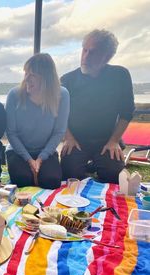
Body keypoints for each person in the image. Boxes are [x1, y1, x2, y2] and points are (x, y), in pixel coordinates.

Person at [60, 29, 135, 184]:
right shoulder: (67, 80)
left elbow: (127, 112)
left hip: (107, 139)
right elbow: (59, 113)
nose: (85, 57)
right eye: (84, 50)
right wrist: (68, 137)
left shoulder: (120, 75)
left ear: (107, 57)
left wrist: (114, 141)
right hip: (77, 140)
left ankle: (96, 163)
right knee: (69, 174)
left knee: (115, 175)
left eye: (92, 53)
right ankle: (90, 164)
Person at [5, 53, 69, 189]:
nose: (26, 79)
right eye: (26, 73)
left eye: (32, 75)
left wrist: (41, 158)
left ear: (47, 78)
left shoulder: (62, 95)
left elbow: (59, 132)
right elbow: (11, 133)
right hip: (18, 151)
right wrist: (29, 160)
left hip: (46, 151)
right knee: (23, 180)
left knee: (52, 181)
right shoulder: (14, 95)